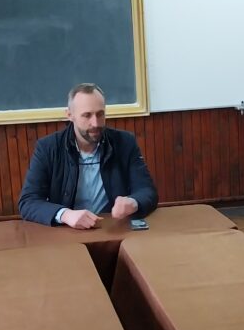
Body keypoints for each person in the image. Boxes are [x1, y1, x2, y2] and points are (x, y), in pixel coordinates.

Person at [18, 83, 158, 228]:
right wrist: (65, 214)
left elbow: (147, 191)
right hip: (68, 231)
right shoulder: (48, 148)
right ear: (70, 115)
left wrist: (133, 202)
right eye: (87, 115)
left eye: (100, 114)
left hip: (112, 228)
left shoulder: (125, 143)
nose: (95, 123)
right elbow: (28, 201)